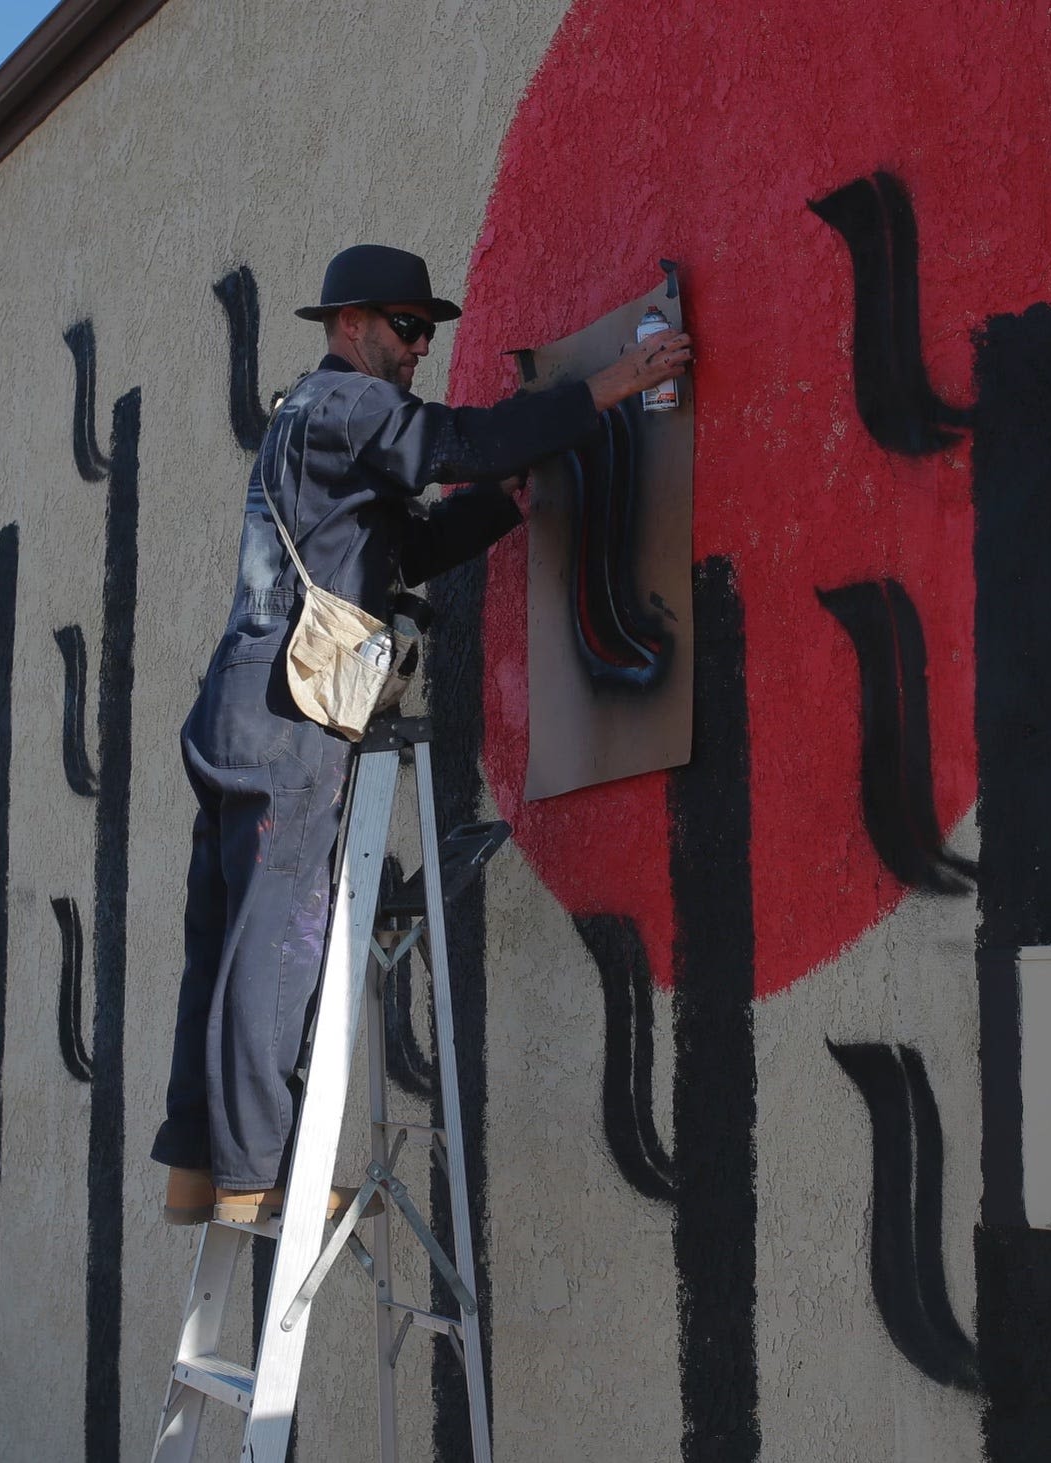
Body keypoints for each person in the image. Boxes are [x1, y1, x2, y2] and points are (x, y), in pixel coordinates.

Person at [151, 243, 692, 1223]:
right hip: (287, 714)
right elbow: (455, 440)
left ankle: (200, 1166)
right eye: (406, 326)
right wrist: (611, 383)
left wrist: (497, 506)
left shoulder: (306, 420)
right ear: (347, 322)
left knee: (222, 936)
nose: (418, 347)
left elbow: (405, 544)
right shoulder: (351, 404)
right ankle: (253, 1175)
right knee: (280, 940)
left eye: (426, 331)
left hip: (242, 703)